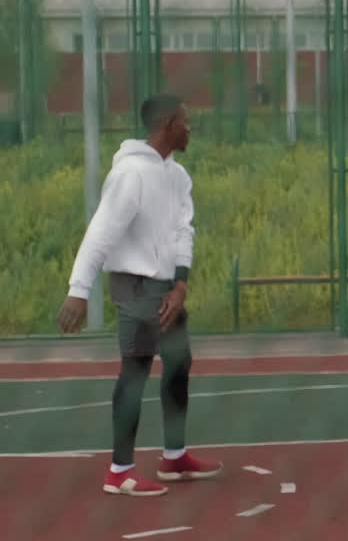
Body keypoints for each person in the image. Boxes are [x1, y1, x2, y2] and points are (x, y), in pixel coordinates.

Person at [57, 93, 222, 497]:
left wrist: (180, 284)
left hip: (166, 288)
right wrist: (78, 290)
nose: (190, 127)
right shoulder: (131, 173)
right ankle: (120, 471)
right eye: (185, 120)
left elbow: (185, 230)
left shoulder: (177, 176)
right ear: (167, 124)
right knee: (136, 369)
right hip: (134, 285)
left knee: (179, 363)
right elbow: (101, 232)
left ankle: (174, 456)